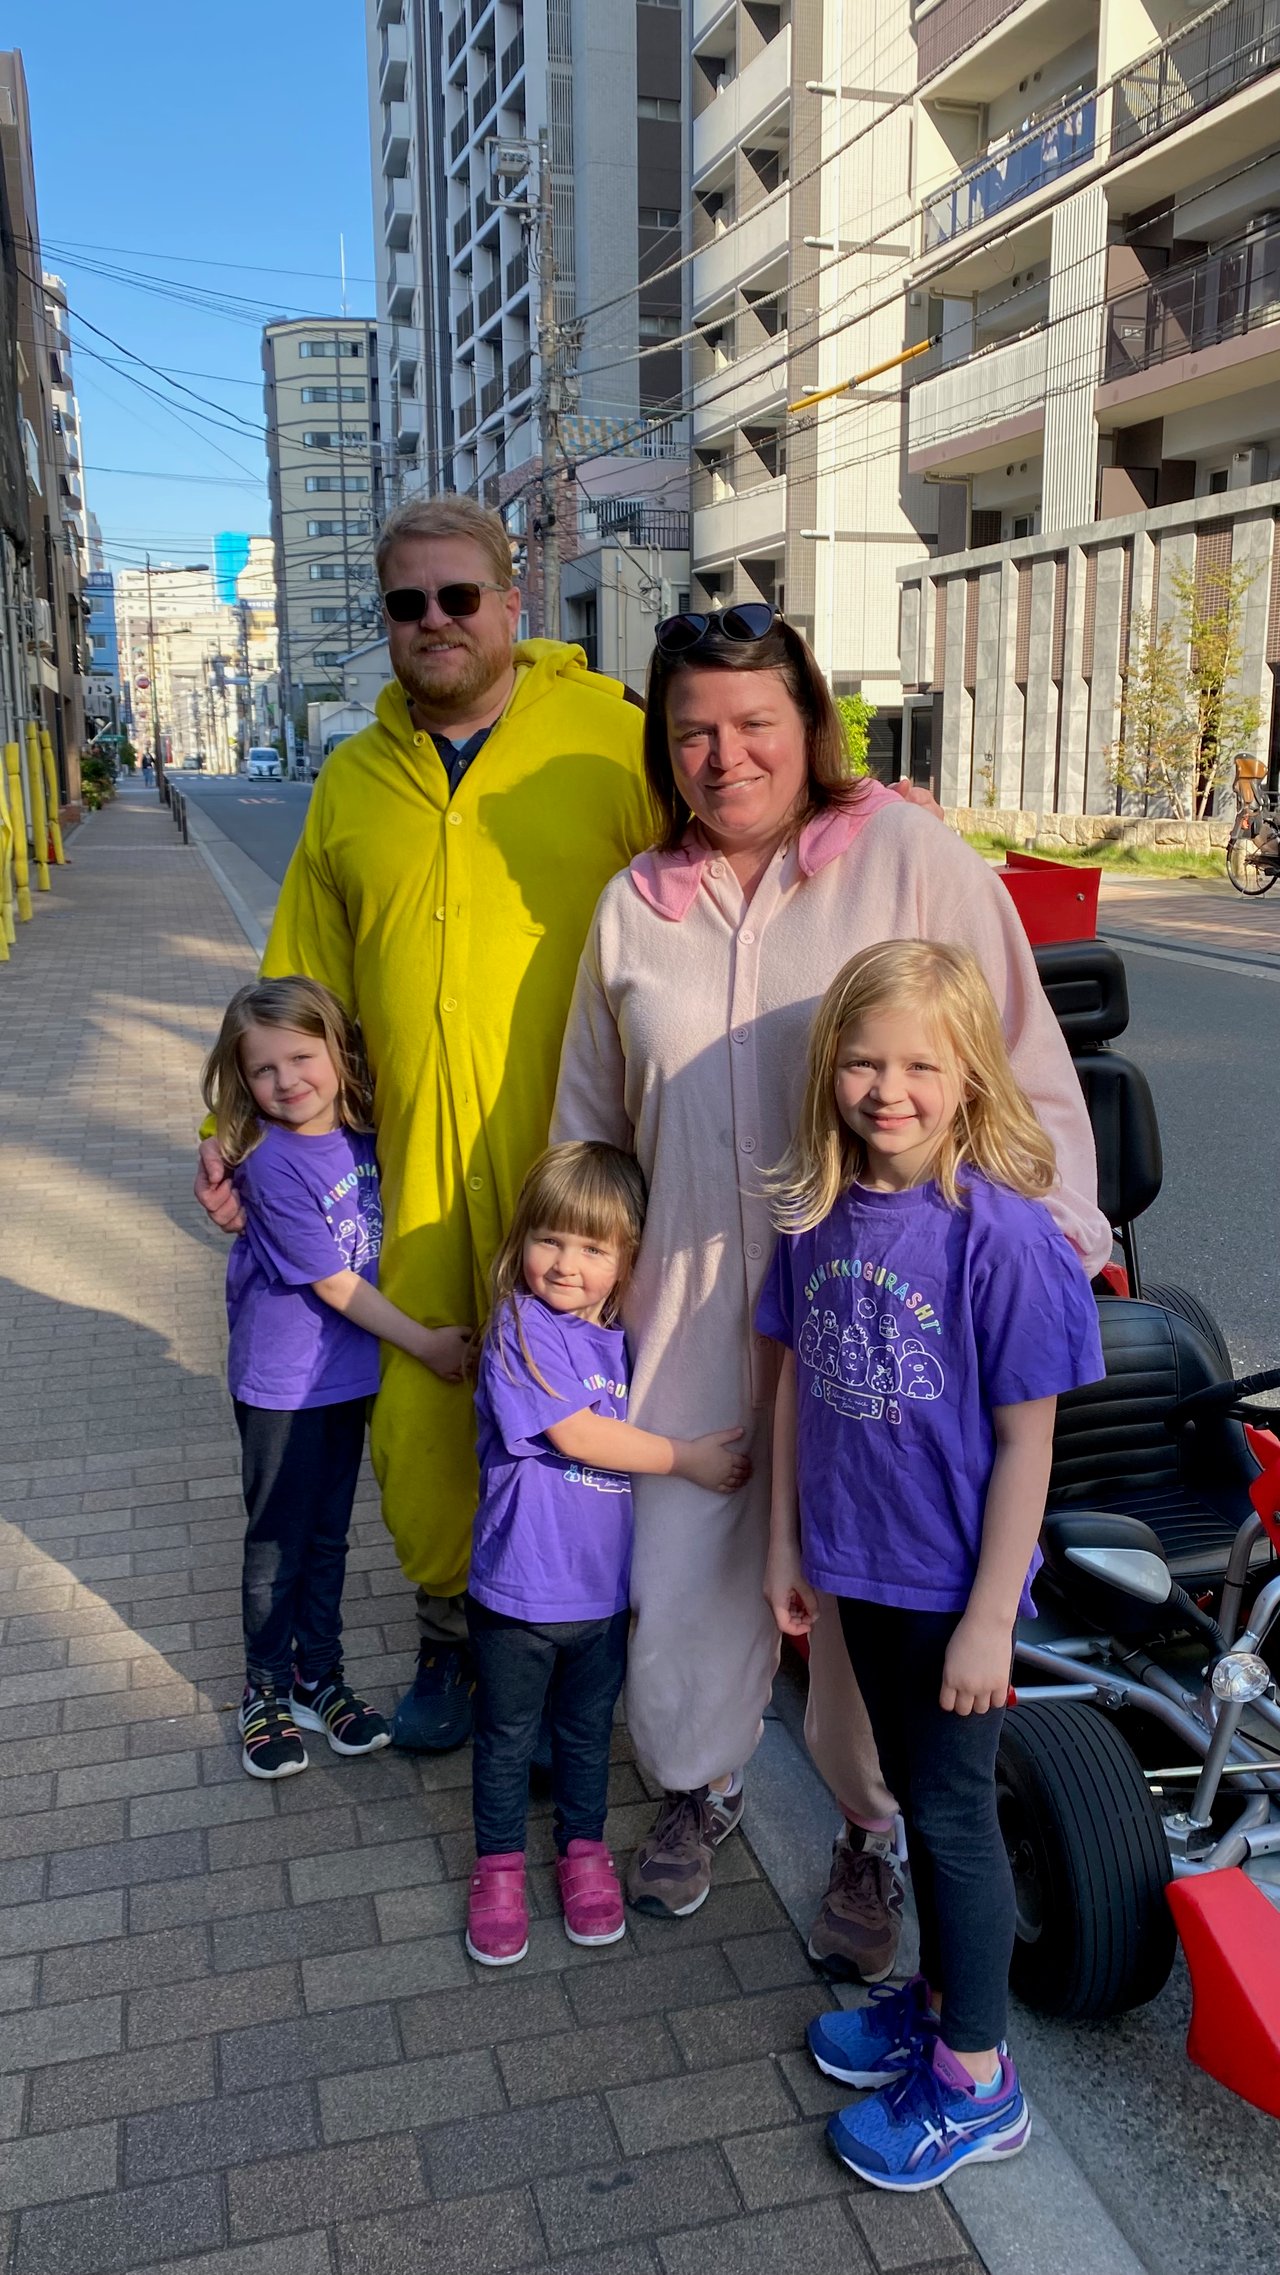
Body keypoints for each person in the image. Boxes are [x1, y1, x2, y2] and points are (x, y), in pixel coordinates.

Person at [552, 603, 1112, 1974]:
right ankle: (699, 1783)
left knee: (869, 1597)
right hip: (686, 1305)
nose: (723, 754)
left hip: (877, 1319)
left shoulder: (907, 858)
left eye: (754, 723)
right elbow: (591, 1123)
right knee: (680, 1572)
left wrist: (1040, 1250)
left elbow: (1024, 1067)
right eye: (691, 730)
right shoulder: (635, 905)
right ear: (663, 747)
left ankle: (874, 1830)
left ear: (811, 726)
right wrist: (566, 1298)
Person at [193, 494, 656, 1754]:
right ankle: (451, 1636)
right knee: (420, 1404)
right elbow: (297, 983)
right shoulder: (353, 777)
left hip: (583, 1161)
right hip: (410, 1167)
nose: (435, 621)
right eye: (408, 604)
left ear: (513, 599)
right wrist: (231, 1131)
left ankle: (589, 1647)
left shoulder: (607, 745)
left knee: (587, 1392)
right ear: (386, 623)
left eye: (460, 596)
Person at [758, 939, 1103, 2188]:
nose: (884, 1087)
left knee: (952, 1819)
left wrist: (986, 1619)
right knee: (909, 1794)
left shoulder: (997, 1239)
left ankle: (976, 2080)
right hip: (858, 1568)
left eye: (917, 1062)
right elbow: (795, 1380)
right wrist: (787, 1544)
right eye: (859, 1059)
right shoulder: (814, 1213)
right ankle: (936, 2000)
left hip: (950, 1592)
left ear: (968, 1075)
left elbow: (1028, 1441)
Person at [464, 1140, 751, 1966]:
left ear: (626, 1261)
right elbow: (574, 1431)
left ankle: (583, 1854)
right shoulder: (521, 1326)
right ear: (522, 1243)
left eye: (593, 1247)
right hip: (518, 1595)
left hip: (595, 1601)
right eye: (549, 1238)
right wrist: (687, 1457)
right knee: (508, 1739)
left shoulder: (613, 1340)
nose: (565, 1262)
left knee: (589, 1737)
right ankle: (499, 1868)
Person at [201, 976, 472, 1780]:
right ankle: (265, 1690)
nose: (287, 1081)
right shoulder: (274, 1163)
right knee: (277, 1543)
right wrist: (425, 1343)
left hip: (344, 1377)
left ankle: (320, 1678)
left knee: (326, 1535)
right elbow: (336, 1284)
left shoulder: (362, 1139)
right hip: (282, 1384)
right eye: (263, 1070)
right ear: (241, 1081)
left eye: (301, 1057)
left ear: (338, 1055)